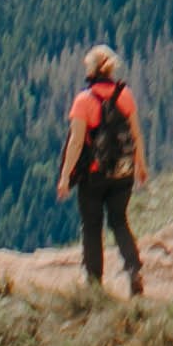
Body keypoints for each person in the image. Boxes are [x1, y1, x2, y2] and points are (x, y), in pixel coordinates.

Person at [58, 43, 147, 297]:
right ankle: (133, 269)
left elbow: (75, 144)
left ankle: (95, 284)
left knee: (92, 226)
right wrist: (141, 164)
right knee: (119, 221)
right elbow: (135, 133)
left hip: (94, 176)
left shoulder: (83, 101)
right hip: (123, 172)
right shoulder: (125, 94)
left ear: (92, 70)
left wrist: (65, 177)